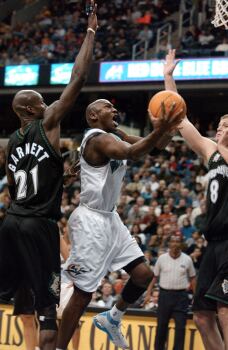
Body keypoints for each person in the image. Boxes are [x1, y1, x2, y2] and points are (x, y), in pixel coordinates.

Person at [0, 3, 97, 350]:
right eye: (42, 101)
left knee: (9, 293)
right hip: (39, 226)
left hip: (11, 222)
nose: (46, 103)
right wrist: (90, 33)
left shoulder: (11, 142)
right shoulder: (48, 123)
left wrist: (58, 177)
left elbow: (14, 187)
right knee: (46, 310)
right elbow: (78, 78)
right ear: (31, 110)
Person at [56, 98, 184, 350]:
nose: (115, 110)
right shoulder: (97, 139)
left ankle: (113, 317)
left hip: (110, 217)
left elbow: (155, 148)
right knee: (83, 294)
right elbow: (131, 152)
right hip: (90, 221)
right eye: (107, 107)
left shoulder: (114, 134)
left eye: (115, 107)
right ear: (93, 116)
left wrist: (169, 129)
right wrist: (159, 129)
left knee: (143, 274)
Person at [163, 49, 228, 350]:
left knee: (225, 309)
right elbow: (179, 119)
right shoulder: (210, 151)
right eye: (220, 124)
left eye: (227, 124)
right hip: (212, 243)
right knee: (202, 316)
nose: (221, 126)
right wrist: (168, 77)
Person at [144, 235, 196, 350]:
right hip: (164, 295)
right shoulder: (162, 258)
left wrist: (196, 296)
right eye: (173, 241)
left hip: (181, 297)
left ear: (181, 244)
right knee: (161, 326)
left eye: (178, 241)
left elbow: (193, 278)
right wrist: (148, 294)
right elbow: (154, 278)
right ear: (169, 244)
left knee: (181, 327)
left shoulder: (187, 259)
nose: (175, 244)